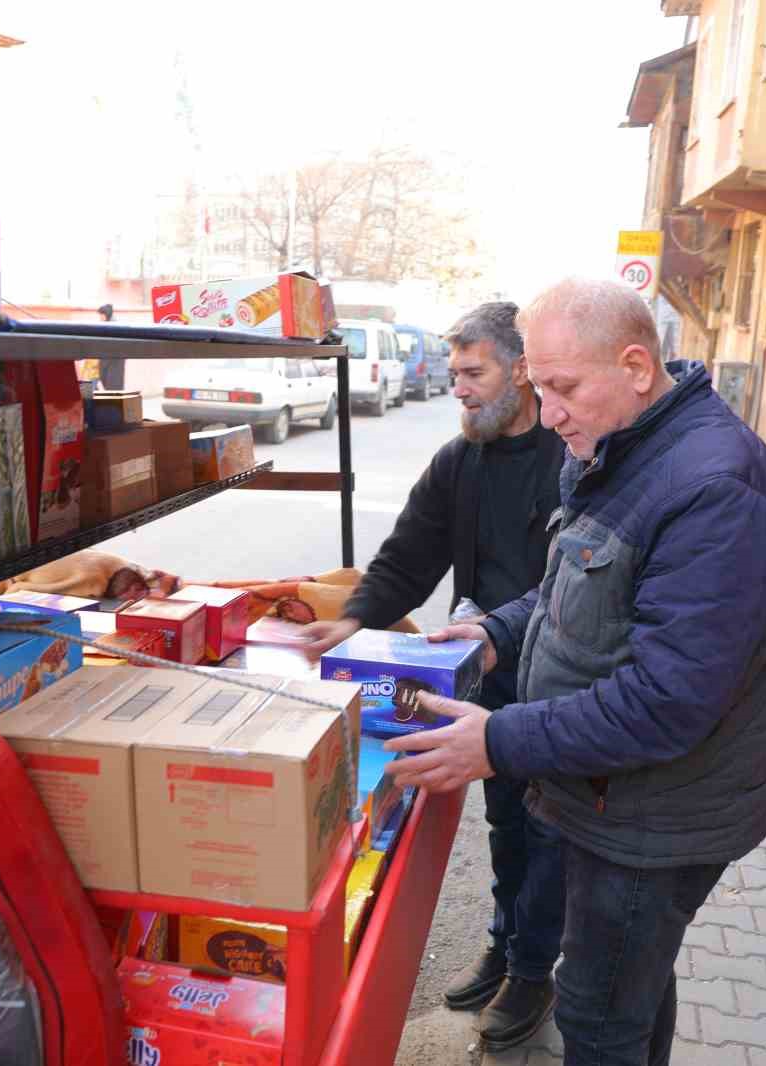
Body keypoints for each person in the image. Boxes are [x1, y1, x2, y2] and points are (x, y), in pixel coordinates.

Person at [387, 277, 766, 1066]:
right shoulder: (634, 449)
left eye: (564, 387)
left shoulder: (713, 490)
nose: (549, 413)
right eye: (539, 388)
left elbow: (667, 700)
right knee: (630, 984)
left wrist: (499, 742)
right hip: (616, 797)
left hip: (652, 817)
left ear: (637, 366)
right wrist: (498, 633)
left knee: (600, 1015)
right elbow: (578, 583)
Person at [301, 301, 569, 1050]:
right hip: (481, 674)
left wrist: (498, 632)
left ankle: (533, 969)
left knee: (547, 829)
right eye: (454, 374)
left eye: (473, 372)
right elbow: (409, 550)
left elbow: (565, 586)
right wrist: (354, 618)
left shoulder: (569, 457)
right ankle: (504, 942)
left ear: (521, 370)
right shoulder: (462, 460)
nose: (459, 388)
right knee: (505, 821)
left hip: (556, 680)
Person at [95, 303, 125, 390]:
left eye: (101, 315)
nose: (100, 318)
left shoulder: (115, 327)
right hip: (107, 361)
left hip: (114, 362)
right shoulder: (106, 325)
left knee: (114, 387)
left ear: (106, 315)